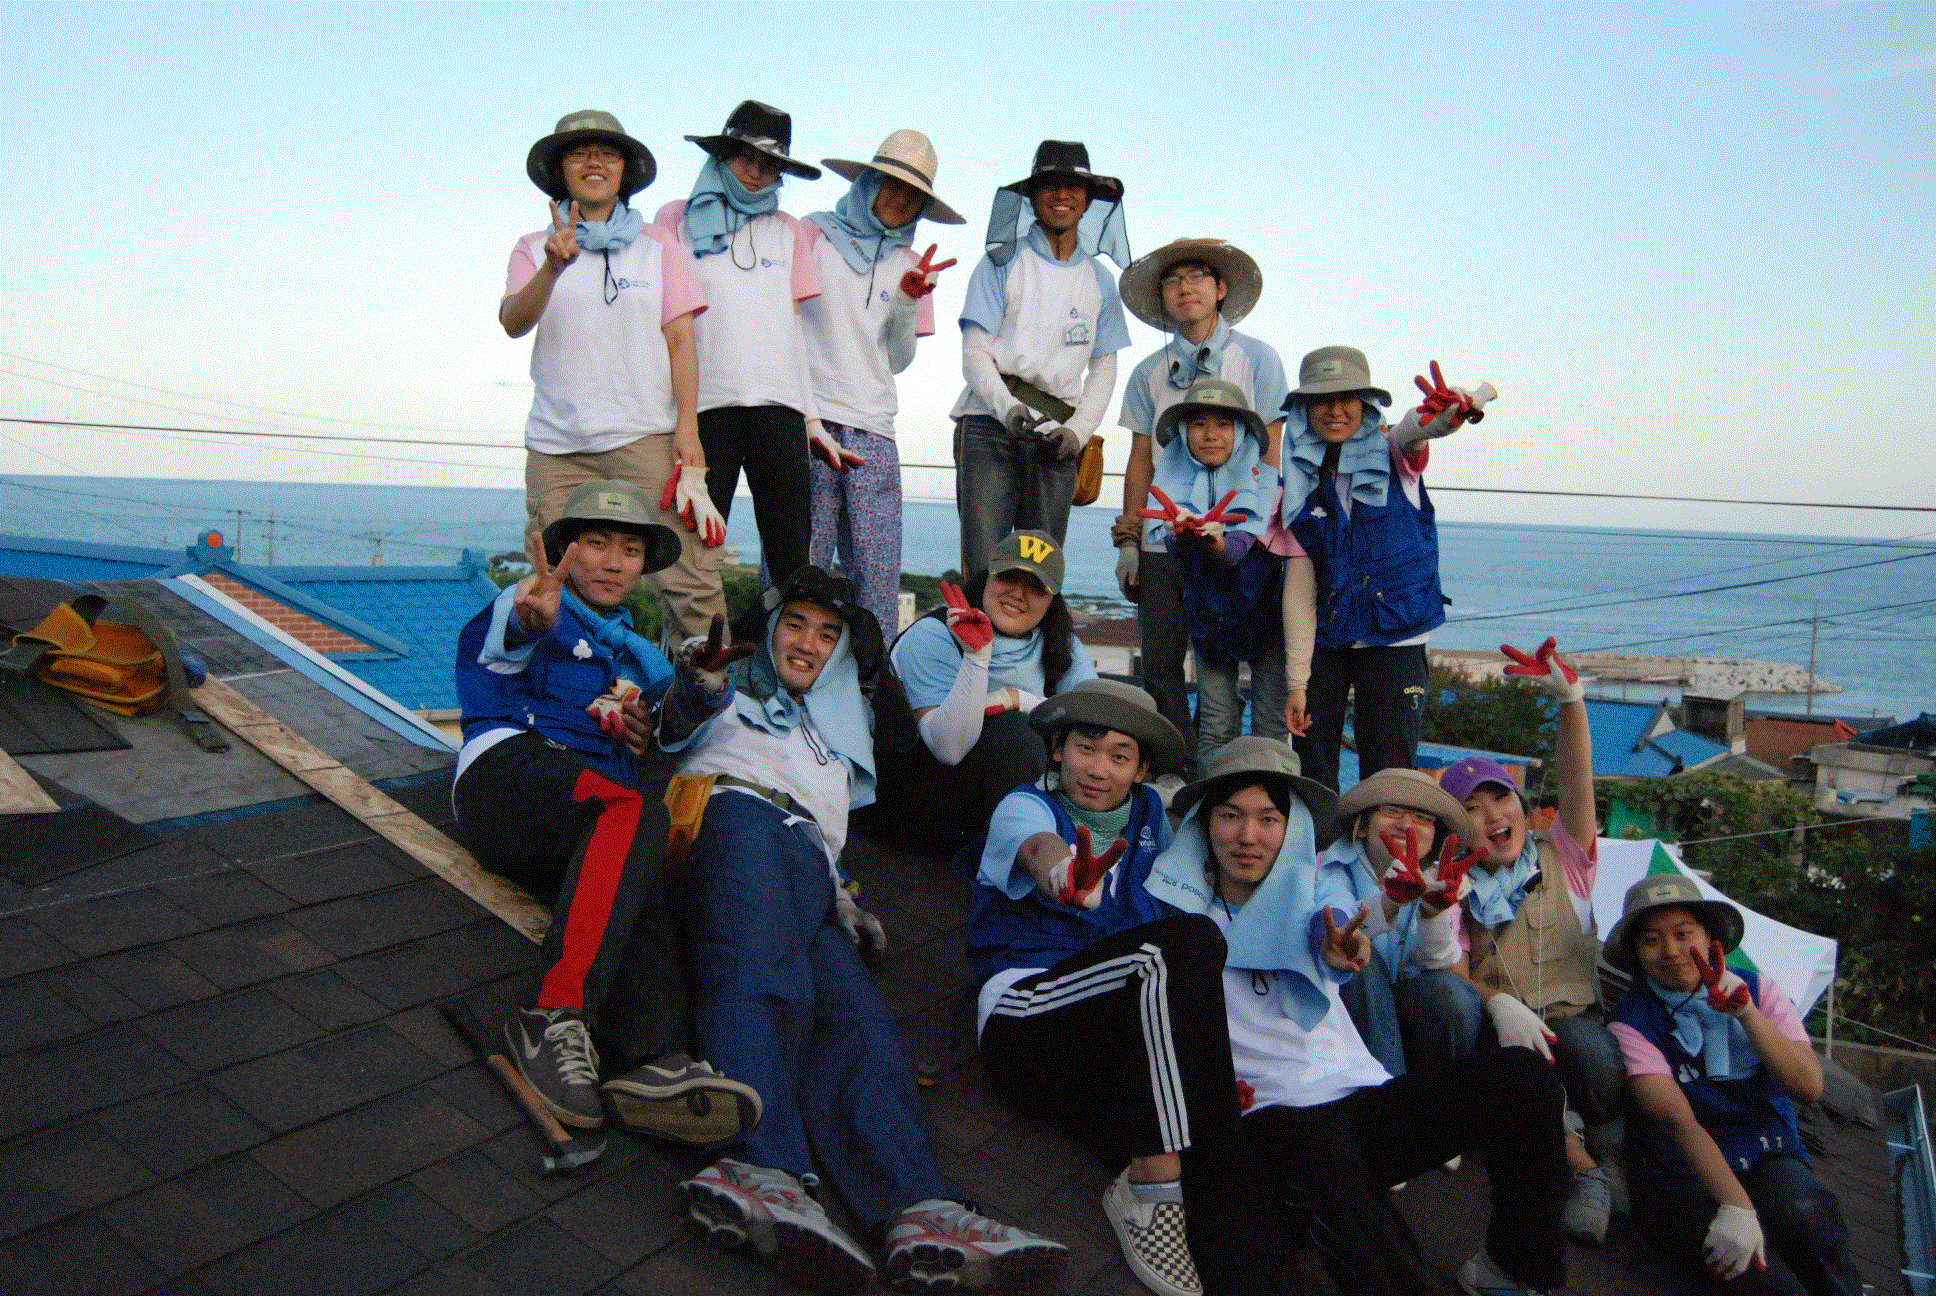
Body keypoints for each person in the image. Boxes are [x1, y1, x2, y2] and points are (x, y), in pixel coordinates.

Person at [666, 566, 1066, 1296]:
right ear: (769, 631)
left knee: (863, 1028)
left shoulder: (833, 729)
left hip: (811, 869)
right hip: (736, 818)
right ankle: (762, 1167)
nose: (808, 644)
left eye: (828, 635)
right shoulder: (730, 688)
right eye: (794, 625)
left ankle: (917, 1207)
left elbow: (851, 808)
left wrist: (844, 898)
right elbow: (673, 720)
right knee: (759, 975)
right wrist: (697, 683)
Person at [1144, 737, 1569, 1296]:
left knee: (1523, 1076)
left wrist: (1344, 942)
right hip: (1269, 1118)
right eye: (1230, 816)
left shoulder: (1312, 891)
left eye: (1268, 819)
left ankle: (1513, 1270)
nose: (1249, 836)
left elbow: (1340, 923)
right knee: (1330, 1170)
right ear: (1204, 823)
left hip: (1361, 1103)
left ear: (1291, 829)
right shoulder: (1170, 910)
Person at [451, 479, 759, 1142]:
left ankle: (650, 1062)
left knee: (641, 871)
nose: (614, 562)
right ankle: (551, 1015)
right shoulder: (534, 602)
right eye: (596, 543)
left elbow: (672, 723)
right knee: (635, 811)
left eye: (630, 549)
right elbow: (516, 630)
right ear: (566, 549)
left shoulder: (637, 654)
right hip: (509, 775)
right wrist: (532, 621)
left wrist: (702, 685)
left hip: (592, 817)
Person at [962, 680, 1284, 1296]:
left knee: (1221, 1177)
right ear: (1057, 749)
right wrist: (1063, 872)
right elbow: (1037, 849)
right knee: (1181, 947)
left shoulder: (1153, 824)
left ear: (1140, 771)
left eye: (1119, 755)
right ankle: (1149, 1189)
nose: (1098, 769)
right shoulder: (1025, 806)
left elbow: (1219, 892)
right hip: (1026, 1019)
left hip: (1105, 1051)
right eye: (1085, 748)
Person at [500, 111, 724, 645]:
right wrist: (553, 267)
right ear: (561, 170)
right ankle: (568, 690)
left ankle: (707, 689)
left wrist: (688, 430)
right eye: (579, 153)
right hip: (558, 448)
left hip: (646, 437)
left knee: (689, 581)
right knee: (555, 582)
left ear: (625, 170)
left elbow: (681, 340)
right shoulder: (533, 246)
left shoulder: (658, 244)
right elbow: (513, 321)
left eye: (608, 153)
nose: (594, 163)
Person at [1432, 637, 1626, 1246]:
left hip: (1573, 1018)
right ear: (1457, 827)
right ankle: (1587, 1172)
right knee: (1530, 1079)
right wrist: (1497, 1004)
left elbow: (1576, 781)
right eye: (1473, 808)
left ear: (1521, 804)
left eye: (1501, 798)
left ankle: (1609, 1138)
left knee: (1592, 1055)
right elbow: (1451, 970)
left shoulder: (1566, 855)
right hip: (1509, 1030)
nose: (1494, 816)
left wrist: (1571, 701)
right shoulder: (1453, 886)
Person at [1605, 875, 1860, 1296]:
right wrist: (1737, 1206)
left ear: (1710, 939)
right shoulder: (1631, 1020)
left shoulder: (1759, 990)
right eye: (1651, 939)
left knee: (1807, 1213)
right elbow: (1676, 1122)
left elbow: (1808, 1087)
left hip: (1765, 1150)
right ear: (1636, 953)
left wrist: (1746, 1014)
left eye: (1684, 933)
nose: (1670, 950)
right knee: (1758, 1275)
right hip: (1680, 1170)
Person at [1111, 240, 1296, 757]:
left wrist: (1252, 530)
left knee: (1243, 659)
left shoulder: (1257, 358)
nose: (1184, 288)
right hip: (1165, 535)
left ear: (1221, 289)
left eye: (1197, 277)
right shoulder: (1148, 370)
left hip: (1239, 539)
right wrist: (1130, 541)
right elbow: (1141, 457)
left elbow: (1272, 451)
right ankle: (1177, 767)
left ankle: (1249, 769)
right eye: (1173, 280)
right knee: (1162, 660)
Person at [1279, 346, 1489, 789]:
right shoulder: (1299, 479)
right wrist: (1296, 683)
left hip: (1397, 635)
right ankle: (1320, 837)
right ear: (1304, 410)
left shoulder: (1394, 451)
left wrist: (1443, 416)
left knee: (1389, 773)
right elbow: (1298, 592)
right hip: (1328, 640)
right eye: (1322, 400)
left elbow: (1417, 430)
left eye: (1348, 398)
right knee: (1312, 771)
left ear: (1367, 405)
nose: (1335, 410)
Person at [657, 101, 826, 605]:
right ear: (722, 156)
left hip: (779, 408)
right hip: (704, 408)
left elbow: (794, 332)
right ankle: (687, 653)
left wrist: (812, 419)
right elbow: (664, 323)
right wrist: (675, 417)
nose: (755, 172)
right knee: (693, 550)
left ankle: (785, 651)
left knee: (792, 555)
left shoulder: (790, 230)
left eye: (769, 164)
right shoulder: (676, 219)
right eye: (744, 158)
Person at [800, 129, 963, 635]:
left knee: (876, 573)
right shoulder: (812, 234)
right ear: (867, 182)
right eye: (891, 183)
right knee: (798, 565)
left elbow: (897, 360)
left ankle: (874, 675)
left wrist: (908, 301)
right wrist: (801, 414)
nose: (900, 199)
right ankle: (777, 671)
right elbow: (781, 321)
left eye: (914, 194)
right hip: (807, 421)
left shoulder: (914, 265)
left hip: (873, 428)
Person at [950, 141, 1131, 576]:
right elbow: (975, 353)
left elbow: (1104, 366)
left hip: (1058, 438)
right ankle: (976, 626)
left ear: (1088, 200)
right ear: (1032, 197)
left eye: (1074, 187)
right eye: (1050, 185)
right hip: (989, 424)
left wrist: (1078, 432)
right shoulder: (1002, 262)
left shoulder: (1100, 280)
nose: (1062, 195)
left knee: (1042, 568)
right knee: (984, 564)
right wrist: (1008, 407)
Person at [866, 529, 1098, 854]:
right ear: (988, 576)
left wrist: (1021, 699)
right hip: (917, 802)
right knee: (1016, 732)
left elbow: (1095, 718)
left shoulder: (1060, 643)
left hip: (1004, 799)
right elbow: (948, 748)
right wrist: (976, 659)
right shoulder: (933, 634)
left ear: (1053, 599)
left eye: (1036, 587)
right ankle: (1015, 860)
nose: (1019, 594)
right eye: (1009, 577)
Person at [1133, 380, 1284, 770]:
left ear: (1242, 432)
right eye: (1198, 424)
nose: (1210, 434)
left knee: (1271, 722)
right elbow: (1175, 547)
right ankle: (1212, 795)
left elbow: (1239, 547)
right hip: (1210, 616)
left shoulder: (1267, 481)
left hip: (1266, 616)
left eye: (1223, 424)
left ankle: (1271, 795)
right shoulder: (1169, 482)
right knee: (1217, 721)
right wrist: (1182, 534)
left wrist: (1216, 542)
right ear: (1184, 433)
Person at [1313, 766, 1480, 1077]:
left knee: (1450, 992)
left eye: (1423, 817)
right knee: (1360, 963)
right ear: (1363, 826)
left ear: (1435, 835)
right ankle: (1387, 1096)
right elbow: (1337, 925)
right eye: (1391, 810)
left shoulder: (1441, 877)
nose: (1406, 825)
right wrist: (1390, 902)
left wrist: (1433, 913)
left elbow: (1436, 964)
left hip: (1414, 1011)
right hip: (1345, 1014)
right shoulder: (1329, 865)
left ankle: (1444, 1098)